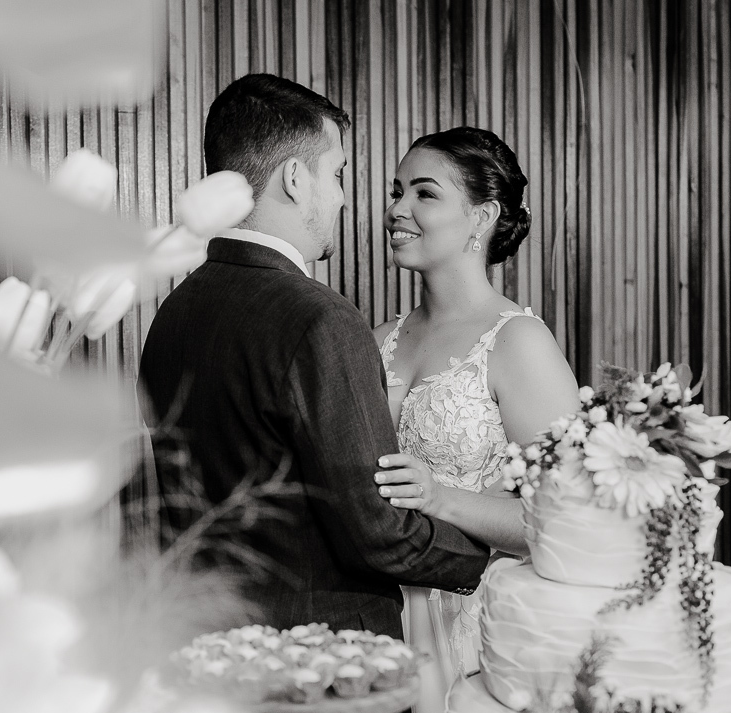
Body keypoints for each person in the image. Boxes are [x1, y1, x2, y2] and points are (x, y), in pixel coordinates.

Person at [138, 75, 491, 645]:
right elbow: (379, 533)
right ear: (296, 179)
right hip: (320, 655)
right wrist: (491, 564)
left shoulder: (175, 310)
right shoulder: (317, 318)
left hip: (203, 644)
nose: (344, 198)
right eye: (338, 173)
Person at [371, 127, 581, 713]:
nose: (396, 209)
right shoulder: (378, 342)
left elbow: (562, 520)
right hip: (382, 611)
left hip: (475, 624)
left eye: (423, 194)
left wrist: (438, 496)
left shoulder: (518, 342)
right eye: (396, 191)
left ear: (482, 216)